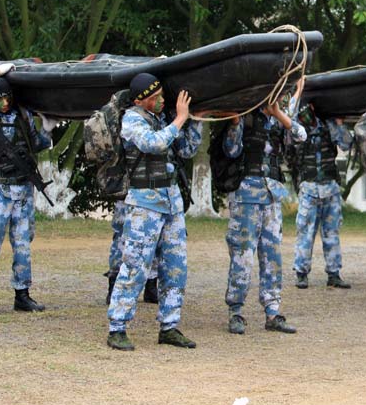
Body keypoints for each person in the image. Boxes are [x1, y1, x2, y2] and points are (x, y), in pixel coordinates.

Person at [106, 73, 204, 351]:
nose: (160, 101)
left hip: (171, 202)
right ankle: (117, 327)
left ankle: (170, 326)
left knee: (175, 267)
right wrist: (181, 118)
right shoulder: (132, 119)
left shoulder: (163, 119)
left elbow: (186, 149)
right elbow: (153, 144)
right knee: (135, 265)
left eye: (161, 95)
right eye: (153, 98)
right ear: (140, 100)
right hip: (144, 204)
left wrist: (194, 119)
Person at [0, 62, 53, 316]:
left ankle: (22, 294)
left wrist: (48, 130)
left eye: (5, 98)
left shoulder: (23, 116)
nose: (2, 104)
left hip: (23, 189)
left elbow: (36, 144)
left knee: (23, 244)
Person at [221, 95, 307, 335]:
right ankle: (235, 311)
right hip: (246, 195)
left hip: (272, 196)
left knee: (272, 256)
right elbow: (230, 150)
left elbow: (301, 136)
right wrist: (236, 124)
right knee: (243, 255)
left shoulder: (280, 121)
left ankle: (272, 311)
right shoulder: (246, 116)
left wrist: (279, 114)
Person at [290, 100, 353, 289]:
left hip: (330, 188)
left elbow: (347, 144)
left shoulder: (329, 125)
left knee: (331, 232)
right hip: (309, 189)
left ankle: (333, 273)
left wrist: (340, 125)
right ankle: (301, 273)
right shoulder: (295, 129)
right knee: (305, 233)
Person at [105, 199, 160, 305]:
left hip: (152, 195)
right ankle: (113, 285)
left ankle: (151, 284)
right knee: (120, 239)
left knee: (152, 236)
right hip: (126, 195)